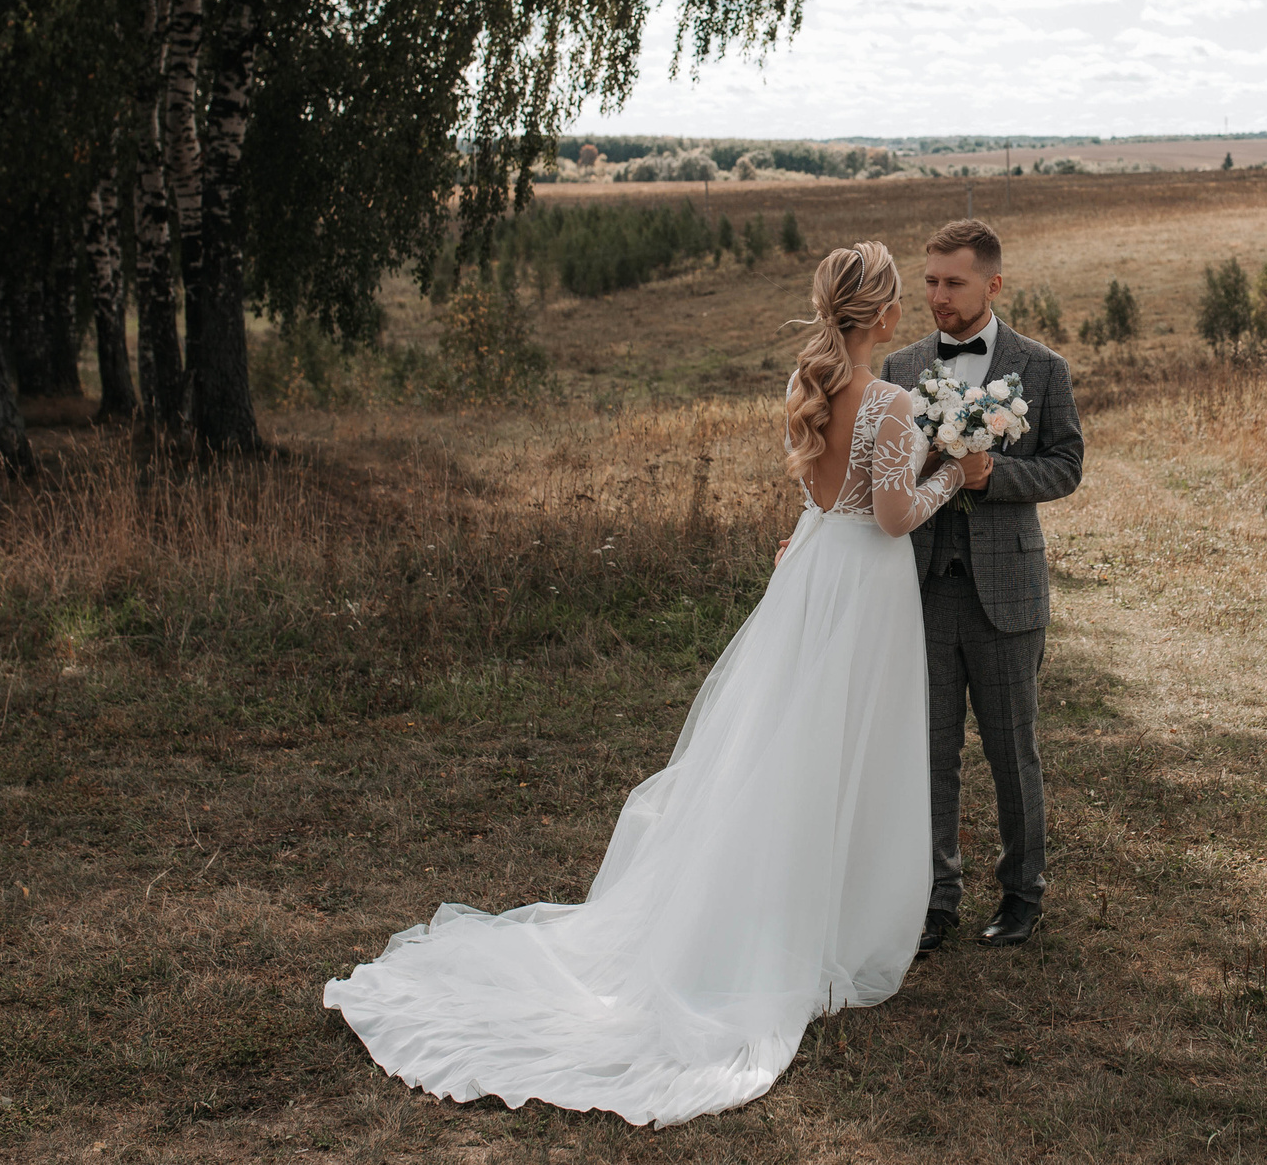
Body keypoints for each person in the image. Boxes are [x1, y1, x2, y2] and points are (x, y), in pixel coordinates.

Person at [324, 242, 968, 1126]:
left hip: (813, 572)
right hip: (862, 587)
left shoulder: (809, 384)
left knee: (785, 745)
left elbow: (821, 497)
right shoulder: (890, 403)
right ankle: (826, 923)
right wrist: (953, 474)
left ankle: (769, 907)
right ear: (886, 315)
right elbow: (893, 518)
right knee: (845, 743)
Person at [881, 219, 1084, 952]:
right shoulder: (900, 367)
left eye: (953, 282)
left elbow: (1066, 466)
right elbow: (878, 473)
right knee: (928, 752)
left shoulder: (1043, 368)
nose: (937, 295)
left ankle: (1023, 894)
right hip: (920, 590)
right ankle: (935, 899)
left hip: (1008, 591)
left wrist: (994, 472)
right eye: (930, 281)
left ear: (992, 284)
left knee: (1012, 751)